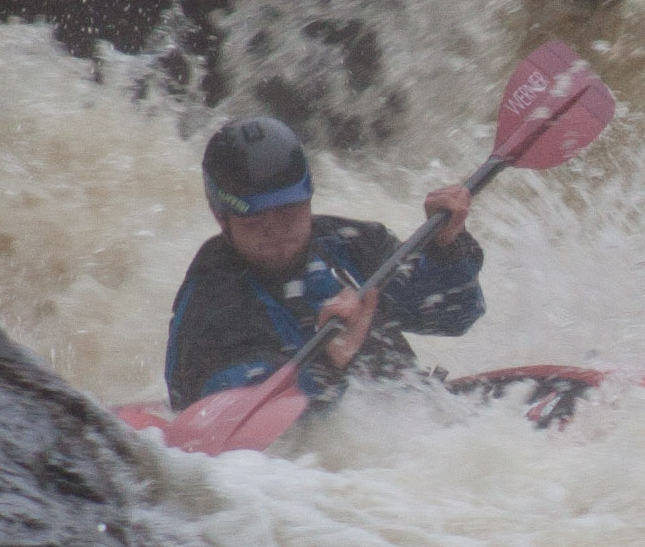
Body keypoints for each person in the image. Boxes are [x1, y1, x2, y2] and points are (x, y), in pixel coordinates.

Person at [163, 112, 485, 411]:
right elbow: (233, 414)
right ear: (222, 219)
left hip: (412, 419)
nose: (277, 233)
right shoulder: (210, 302)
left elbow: (455, 314)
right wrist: (328, 363)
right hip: (315, 453)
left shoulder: (349, 245)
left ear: (308, 199)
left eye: (288, 213)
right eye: (255, 221)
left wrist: (447, 245)